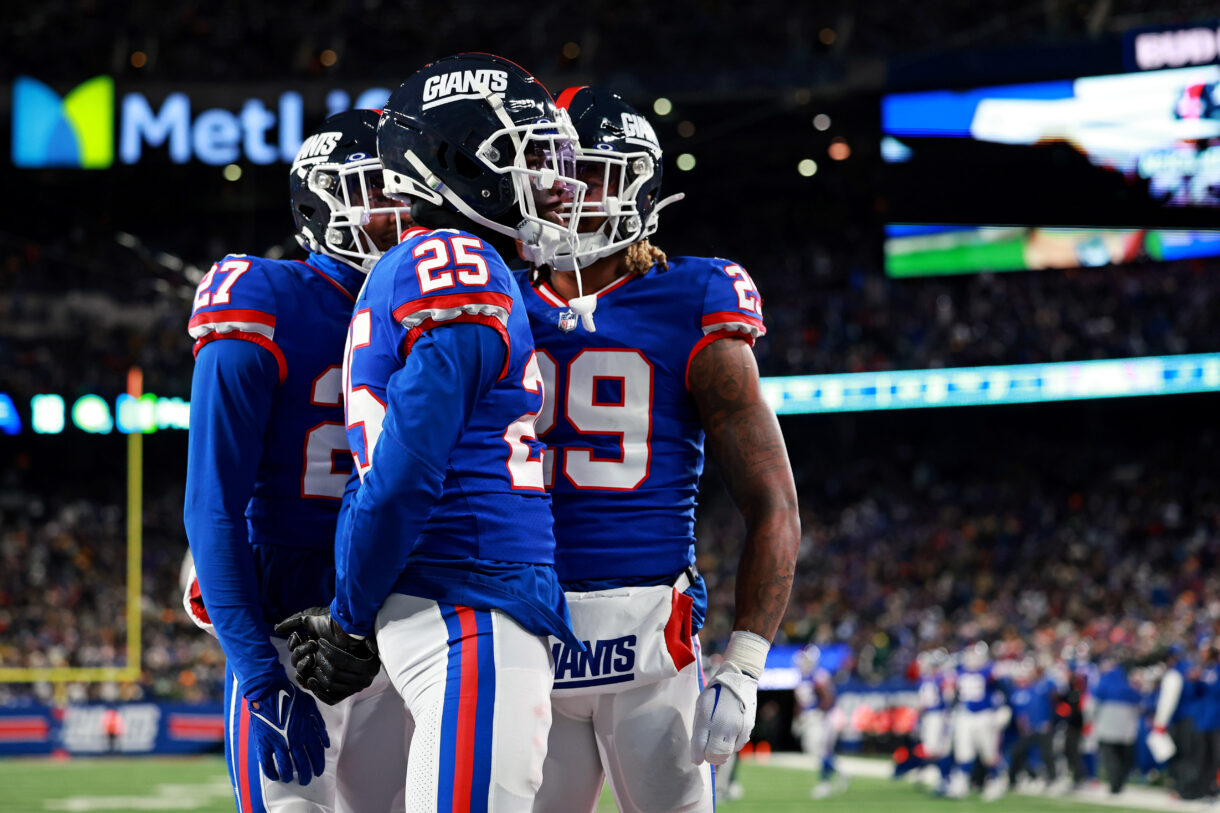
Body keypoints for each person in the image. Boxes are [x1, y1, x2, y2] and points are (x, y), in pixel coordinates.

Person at [280, 53, 586, 811]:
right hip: (469, 601)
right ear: (453, 161)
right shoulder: (457, 263)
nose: (548, 182)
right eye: (524, 158)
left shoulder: (423, 266)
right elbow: (406, 470)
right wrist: (350, 618)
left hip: (453, 599)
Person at [519, 86, 800, 813]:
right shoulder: (493, 297)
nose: (567, 190)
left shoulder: (695, 297)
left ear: (639, 182)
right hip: (521, 638)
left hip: (649, 644)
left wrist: (743, 666)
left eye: (589, 171)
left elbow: (772, 500)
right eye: (552, 169)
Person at [184, 109, 410, 812]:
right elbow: (211, 504)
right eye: (376, 189)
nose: (398, 210)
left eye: (405, 189)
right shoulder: (265, 295)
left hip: (404, 610)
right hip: (290, 611)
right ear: (320, 203)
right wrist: (258, 675)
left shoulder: (438, 301)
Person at [794, 645, 847, 799]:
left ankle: (825, 783)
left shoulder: (818, 676)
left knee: (821, 750)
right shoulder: (802, 677)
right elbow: (800, 702)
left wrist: (819, 712)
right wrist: (798, 718)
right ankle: (840, 773)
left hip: (821, 718)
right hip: (810, 718)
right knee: (813, 750)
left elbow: (828, 698)